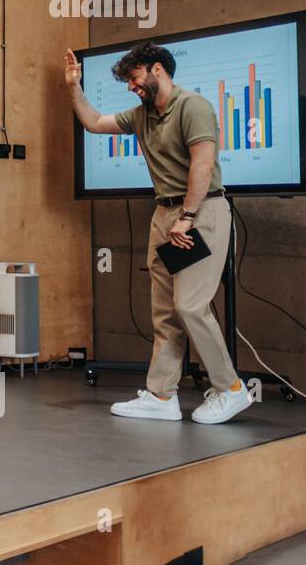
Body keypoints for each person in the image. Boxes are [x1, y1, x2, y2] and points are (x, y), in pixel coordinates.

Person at [65, 43, 249, 424]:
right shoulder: (142, 115)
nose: (132, 87)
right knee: (164, 312)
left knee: (190, 305)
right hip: (164, 215)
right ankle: (162, 395)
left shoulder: (192, 106)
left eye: (134, 79)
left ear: (158, 70)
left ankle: (230, 388)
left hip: (201, 212)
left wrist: (187, 216)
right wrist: (74, 87)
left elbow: (203, 164)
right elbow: (95, 123)